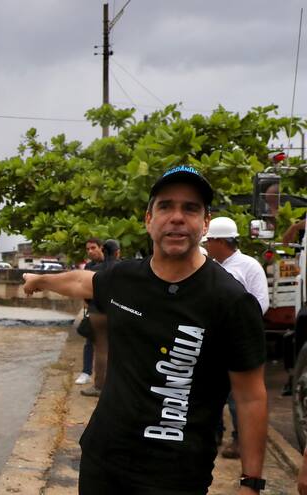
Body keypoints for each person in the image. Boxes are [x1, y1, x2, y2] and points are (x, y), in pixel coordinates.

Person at [23, 165, 267, 494]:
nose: (177, 217)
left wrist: (251, 483)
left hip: (175, 476)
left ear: (205, 223)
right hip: (103, 461)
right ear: (148, 219)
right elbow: (82, 281)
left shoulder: (231, 301)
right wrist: (40, 280)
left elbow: (250, 397)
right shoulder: (125, 279)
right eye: (165, 206)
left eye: (190, 208)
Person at [202, 216, 269, 461]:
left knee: (237, 394)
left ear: (220, 241)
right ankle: (214, 433)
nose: (206, 246)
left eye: (208, 241)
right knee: (210, 389)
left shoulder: (248, 266)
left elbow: (261, 303)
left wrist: (236, 325)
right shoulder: (211, 267)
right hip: (212, 339)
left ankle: (241, 439)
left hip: (238, 340)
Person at [80, 238, 121, 397]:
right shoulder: (123, 267)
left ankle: (99, 386)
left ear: (102, 249)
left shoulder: (94, 269)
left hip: (97, 311)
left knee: (101, 350)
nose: (90, 251)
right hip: (117, 311)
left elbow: (85, 292)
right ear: (117, 252)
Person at [75, 238, 104, 386]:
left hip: (111, 308)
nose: (90, 251)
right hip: (94, 308)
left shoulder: (111, 263)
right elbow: (83, 286)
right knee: (89, 341)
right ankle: (86, 372)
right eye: (88, 249)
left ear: (101, 248)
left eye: (93, 248)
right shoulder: (89, 266)